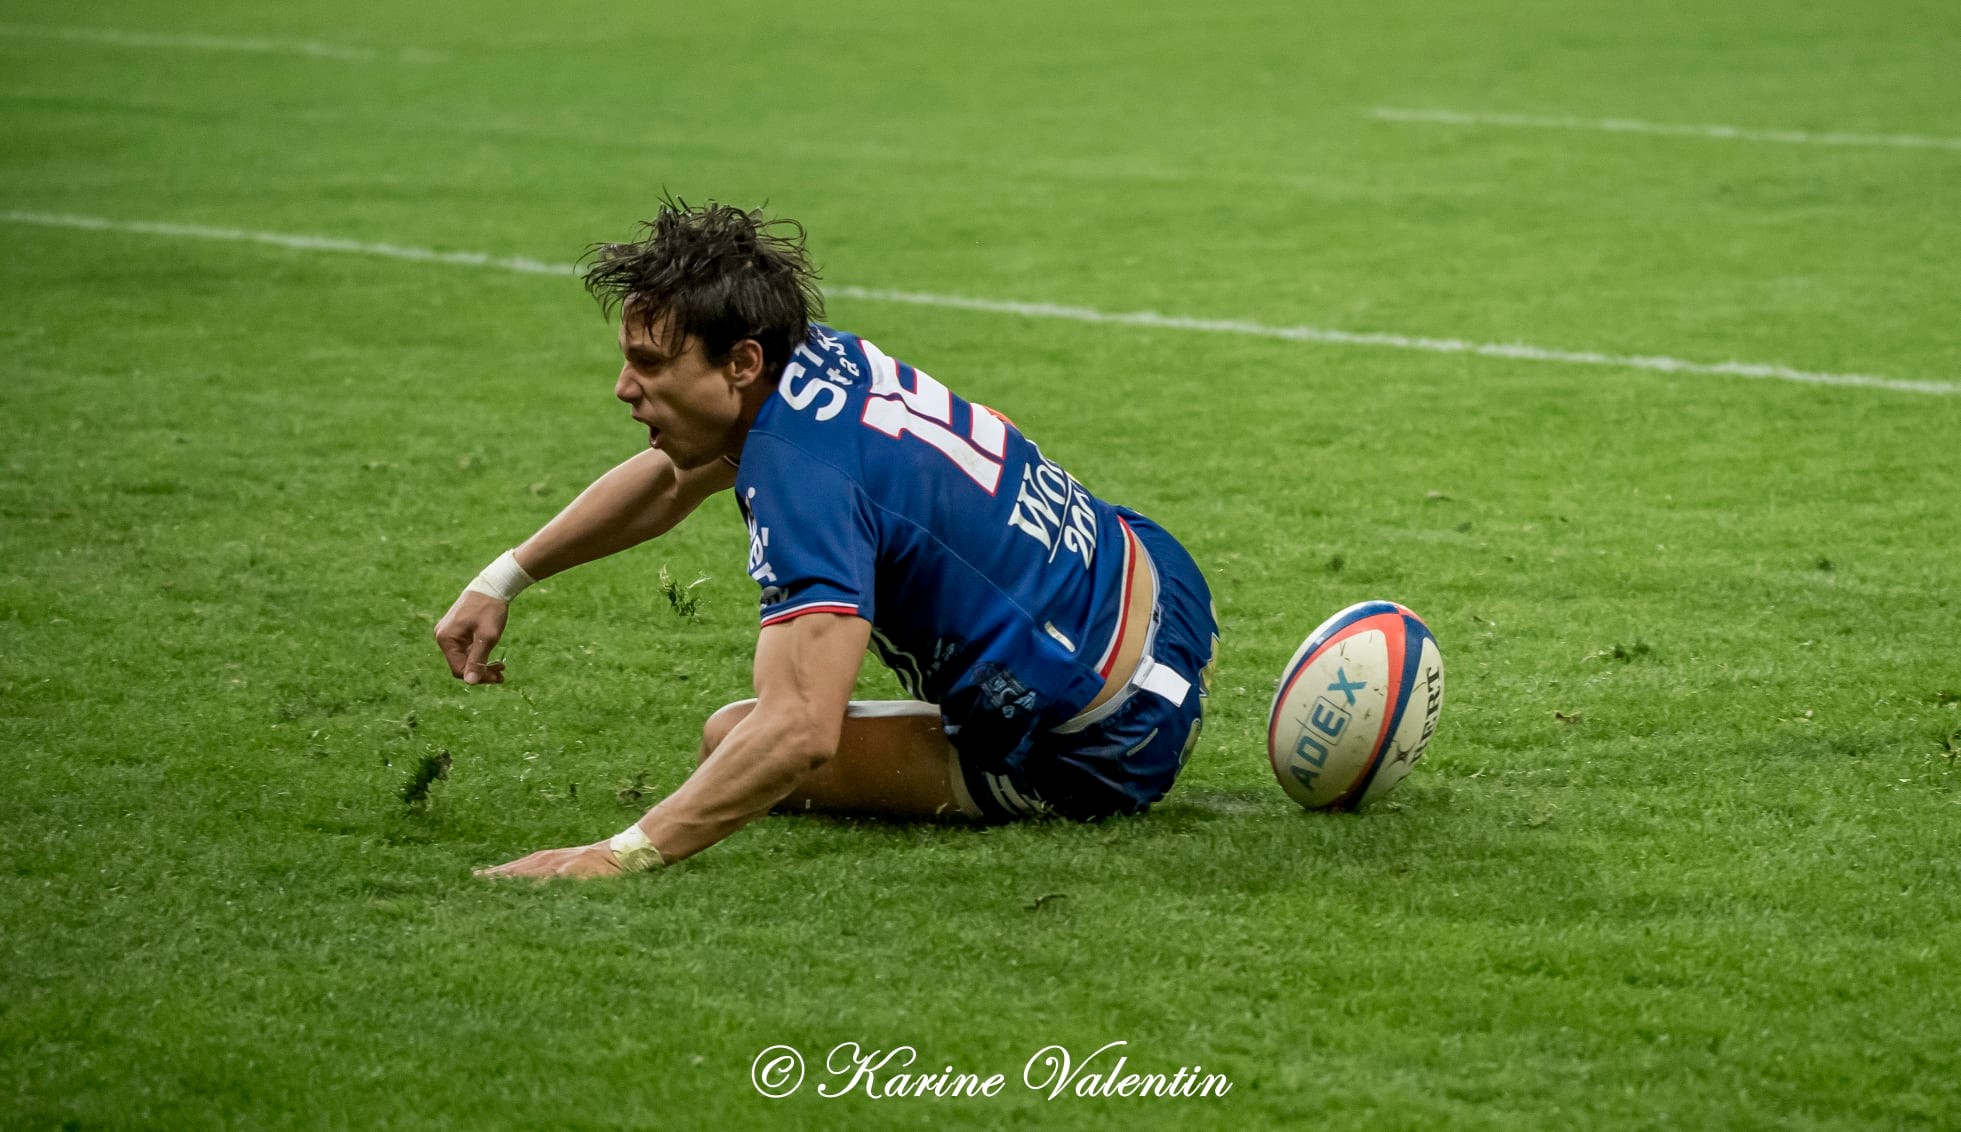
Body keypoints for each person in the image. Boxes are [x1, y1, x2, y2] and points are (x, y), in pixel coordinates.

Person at [436, 200, 1219, 879]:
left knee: (733, 742)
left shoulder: (799, 475)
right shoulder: (816, 353)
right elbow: (674, 476)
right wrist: (503, 577)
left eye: (648, 363)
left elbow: (798, 732)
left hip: (1102, 743)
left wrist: (619, 853)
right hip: (1161, 590)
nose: (624, 386)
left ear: (741, 362)